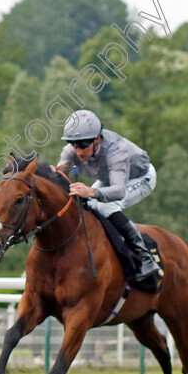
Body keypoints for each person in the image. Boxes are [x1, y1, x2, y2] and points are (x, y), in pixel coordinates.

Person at [55, 109, 159, 280]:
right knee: (90, 205)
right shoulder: (72, 149)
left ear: (97, 140)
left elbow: (118, 191)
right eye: (74, 144)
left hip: (140, 177)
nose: (78, 151)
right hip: (109, 177)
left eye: (83, 145)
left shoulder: (116, 151)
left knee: (105, 204)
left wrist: (91, 191)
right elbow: (60, 176)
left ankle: (145, 257)